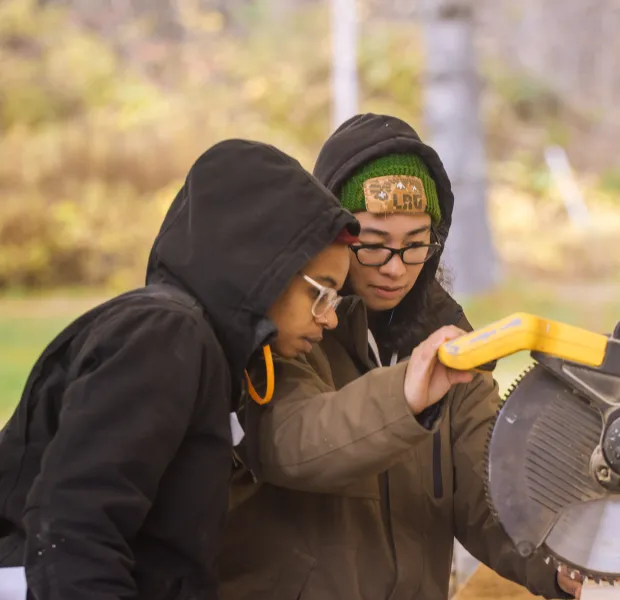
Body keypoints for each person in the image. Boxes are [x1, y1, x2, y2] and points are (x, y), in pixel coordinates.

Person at [220, 114, 582, 599]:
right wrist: (406, 394)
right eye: (373, 245)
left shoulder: (450, 348)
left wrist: (563, 563)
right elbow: (292, 441)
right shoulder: (288, 334)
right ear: (330, 232)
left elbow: (490, 500)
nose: (396, 269)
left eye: (416, 245)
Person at [0, 138, 362, 600]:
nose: (329, 319)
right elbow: (75, 528)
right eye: (322, 293)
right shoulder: (165, 335)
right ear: (263, 266)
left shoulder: (209, 352)